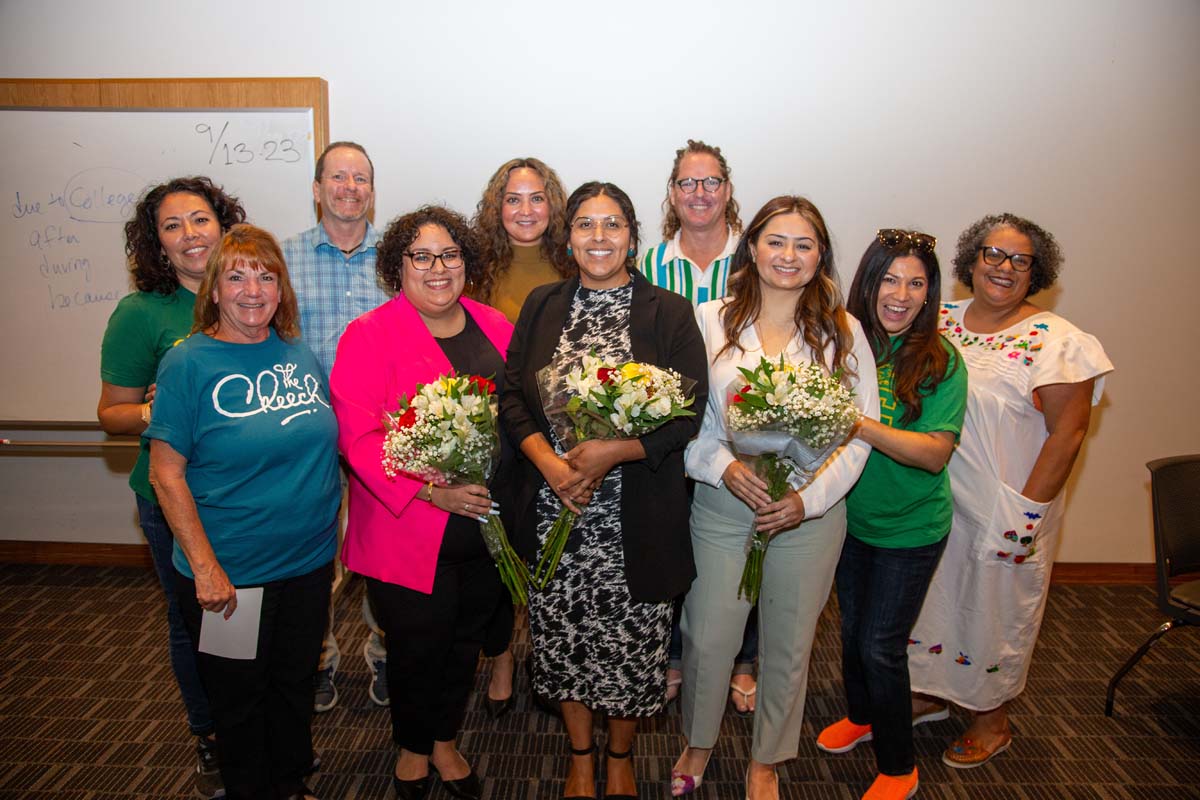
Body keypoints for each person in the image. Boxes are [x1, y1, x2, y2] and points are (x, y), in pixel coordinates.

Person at [500, 181, 708, 799]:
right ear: (567, 239)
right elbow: (512, 395)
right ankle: (580, 755)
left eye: (612, 224)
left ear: (632, 238)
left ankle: (620, 757)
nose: (599, 237)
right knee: (563, 642)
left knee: (630, 649)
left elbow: (688, 416)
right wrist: (549, 463)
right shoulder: (542, 304)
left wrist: (615, 451)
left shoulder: (669, 312)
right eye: (585, 225)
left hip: (635, 518)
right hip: (556, 509)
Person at [676, 196, 879, 800]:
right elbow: (685, 422)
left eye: (804, 244)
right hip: (724, 504)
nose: (788, 255)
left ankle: (767, 758)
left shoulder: (844, 332)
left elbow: (859, 434)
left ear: (821, 256)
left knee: (789, 645)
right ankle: (698, 740)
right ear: (753, 247)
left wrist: (807, 502)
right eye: (776, 241)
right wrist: (724, 467)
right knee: (709, 634)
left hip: (807, 515)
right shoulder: (708, 320)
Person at [907, 213, 1113, 768]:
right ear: (971, 260)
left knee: (991, 612)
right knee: (931, 601)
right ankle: (928, 694)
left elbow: (1068, 434)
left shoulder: (1059, 342)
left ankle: (991, 720)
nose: (1004, 267)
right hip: (933, 499)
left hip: (1004, 506)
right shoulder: (938, 320)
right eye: (993, 254)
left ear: (1036, 271)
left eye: (1021, 260)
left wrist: (1024, 517)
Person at [147, 224, 340, 800]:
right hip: (233, 576)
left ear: (282, 289)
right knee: (238, 697)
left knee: (294, 684)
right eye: (236, 277)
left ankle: (291, 783)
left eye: (266, 277)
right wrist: (205, 568)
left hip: (306, 565)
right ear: (214, 289)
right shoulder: (188, 363)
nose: (253, 291)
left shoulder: (297, 353)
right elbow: (165, 473)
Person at [330, 205, 513, 800]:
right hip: (407, 529)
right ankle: (412, 748)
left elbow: (518, 417)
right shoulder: (368, 335)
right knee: (415, 650)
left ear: (467, 262)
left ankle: (444, 740)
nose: (438, 268)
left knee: (463, 645)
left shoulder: (496, 325)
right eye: (422, 256)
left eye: (450, 254)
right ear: (398, 266)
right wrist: (433, 492)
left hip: (485, 529)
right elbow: (359, 439)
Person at [97, 176, 246, 799]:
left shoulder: (249, 292)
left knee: (247, 617)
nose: (190, 234)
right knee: (195, 620)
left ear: (223, 225)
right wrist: (158, 411)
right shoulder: (141, 313)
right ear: (156, 243)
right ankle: (210, 736)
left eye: (201, 219)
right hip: (172, 496)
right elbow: (112, 413)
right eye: (172, 226)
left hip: (245, 494)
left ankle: (251, 730)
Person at [815, 230, 967, 800]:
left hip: (911, 527)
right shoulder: (846, 343)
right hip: (850, 521)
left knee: (881, 644)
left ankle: (900, 766)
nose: (901, 295)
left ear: (930, 293)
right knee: (853, 633)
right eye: (889, 279)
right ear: (868, 283)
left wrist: (857, 423)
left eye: (916, 283)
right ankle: (862, 716)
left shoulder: (939, 360)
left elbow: (933, 454)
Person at [639, 139, 758, 715]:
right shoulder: (649, 264)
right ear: (672, 193)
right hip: (672, 431)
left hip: (743, 430)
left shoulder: (756, 257)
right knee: (674, 542)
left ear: (727, 190)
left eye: (711, 182)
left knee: (745, 544)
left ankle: (743, 658)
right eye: (687, 183)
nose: (700, 193)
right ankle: (674, 655)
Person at [282, 140, 391, 712]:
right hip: (310, 434)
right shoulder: (283, 259)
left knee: (383, 552)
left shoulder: (399, 258)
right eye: (338, 177)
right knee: (312, 556)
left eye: (361, 178)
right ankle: (317, 658)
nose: (350, 188)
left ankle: (386, 652)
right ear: (317, 187)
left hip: (383, 434)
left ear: (372, 190)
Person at [469, 156, 570, 717]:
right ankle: (504, 655)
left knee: (550, 549)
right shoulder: (475, 267)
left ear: (553, 205)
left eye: (536, 198)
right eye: (513, 199)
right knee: (499, 548)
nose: (525, 210)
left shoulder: (574, 261)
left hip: (559, 429)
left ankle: (549, 655)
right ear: (497, 206)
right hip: (494, 432)